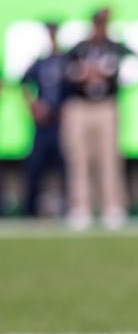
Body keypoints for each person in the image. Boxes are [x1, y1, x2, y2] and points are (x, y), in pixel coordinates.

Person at [61, 7, 130, 229]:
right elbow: (69, 74)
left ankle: (113, 206)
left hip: (106, 105)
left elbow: (126, 69)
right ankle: (81, 206)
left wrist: (97, 73)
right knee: (79, 158)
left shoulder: (114, 47)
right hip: (81, 106)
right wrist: (90, 73)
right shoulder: (79, 49)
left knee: (109, 157)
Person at [19, 21, 67, 217]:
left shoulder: (65, 61)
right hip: (42, 125)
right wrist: (33, 106)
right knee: (35, 167)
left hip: (61, 124)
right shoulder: (40, 62)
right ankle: (29, 210)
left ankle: (68, 208)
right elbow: (23, 84)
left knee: (66, 168)